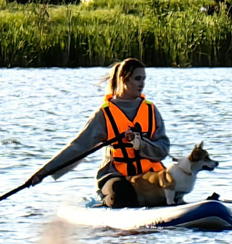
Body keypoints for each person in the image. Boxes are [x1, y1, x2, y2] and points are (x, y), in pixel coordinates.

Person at [26, 58, 171, 208]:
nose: (142, 84)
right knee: (122, 193)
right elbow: (78, 148)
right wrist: (43, 173)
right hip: (116, 177)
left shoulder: (151, 111)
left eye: (144, 79)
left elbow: (162, 150)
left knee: (172, 189)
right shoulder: (104, 114)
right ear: (123, 79)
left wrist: (140, 144)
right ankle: (109, 202)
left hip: (149, 177)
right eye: (137, 79)